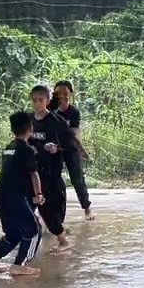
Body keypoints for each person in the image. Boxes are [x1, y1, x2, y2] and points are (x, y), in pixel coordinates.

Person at [0, 111, 44, 277]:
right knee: (34, 229)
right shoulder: (27, 150)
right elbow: (34, 174)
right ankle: (19, 265)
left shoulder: (9, 148)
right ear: (30, 127)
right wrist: (39, 194)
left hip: (1, 195)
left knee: (13, 234)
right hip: (15, 196)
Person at [30, 84, 71, 253]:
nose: (37, 104)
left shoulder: (56, 122)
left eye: (41, 100)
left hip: (51, 171)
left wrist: (56, 148)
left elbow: (67, 144)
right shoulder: (28, 121)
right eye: (34, 101)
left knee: (52, 204)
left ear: (47, 101)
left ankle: (61, 236)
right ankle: (37, 232)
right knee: (36, 204)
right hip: (32, 170)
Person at [51, 81, 94, 221]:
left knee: (78, 180)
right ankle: (49, 213)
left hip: (70, 149)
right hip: (53, 150)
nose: (62, 96)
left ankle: (87, 208)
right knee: (51, 180)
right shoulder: (50, 110)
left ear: (70, 94)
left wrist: (82, 150)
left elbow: (74, 134)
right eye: (59, 93)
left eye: (65, 93)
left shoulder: (74, 112)